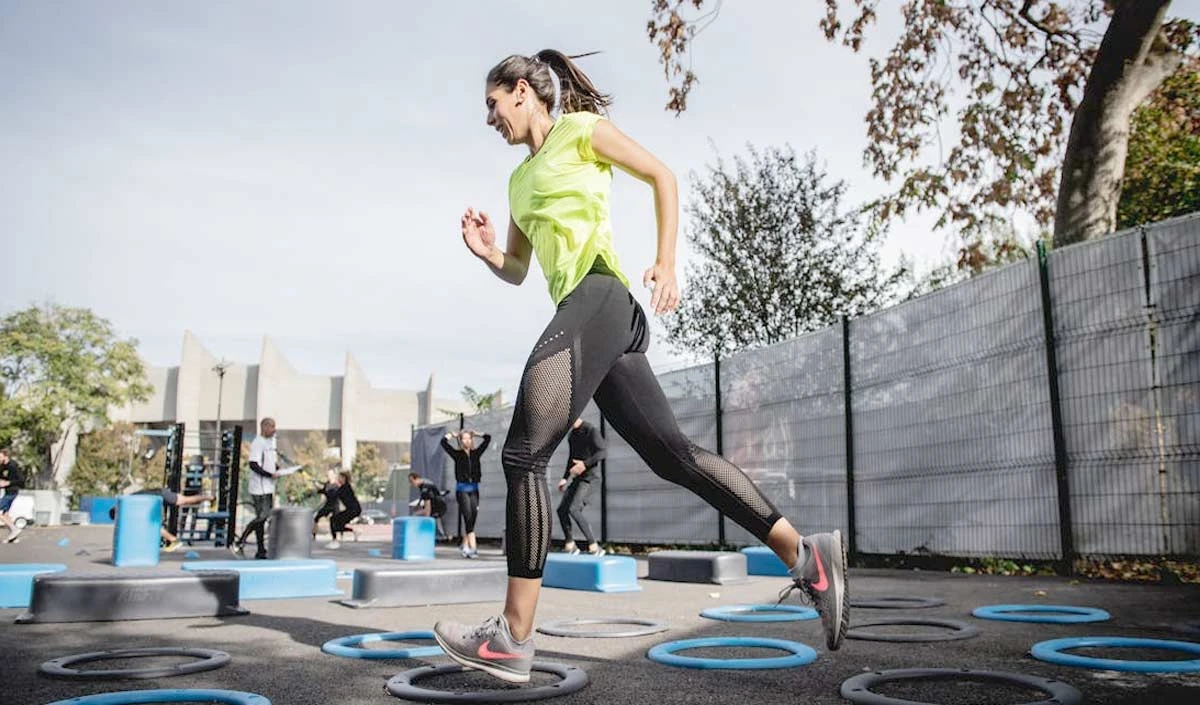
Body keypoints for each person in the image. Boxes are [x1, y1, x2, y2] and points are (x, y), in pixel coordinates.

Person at [432, 50, 848, 684]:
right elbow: (519, 270)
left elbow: (662, 176)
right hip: (594, 319)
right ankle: (806, 555)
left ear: (523, 92)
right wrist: (488, 251)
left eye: (493, 103)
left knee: (521, 455)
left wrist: (667, 259)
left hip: (600, 296)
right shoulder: (517, 184)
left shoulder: (578, 131)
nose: (489, 117)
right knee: (672, 456)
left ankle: (513, 636)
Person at [108, 488, 214, 551]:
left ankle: (174, 540)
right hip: (159, 495)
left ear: (117, 511)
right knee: (184, 501)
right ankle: (210, 498)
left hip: (161, 495)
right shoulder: (127, 502)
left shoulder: (127, 505)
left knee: (184, 501)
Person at [556, 418, 605, 556]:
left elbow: (602, 452)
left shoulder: (591, 430)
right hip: (578, 478)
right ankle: (570, 544)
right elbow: (571, 458)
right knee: (562, 510)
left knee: (574, 509)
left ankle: (594, 546)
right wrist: (565, 478)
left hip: (590, 479)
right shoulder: (572, 435)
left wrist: (584, 464)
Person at [441, 429, 492, 558]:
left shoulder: (476, 453)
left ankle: (464, 545)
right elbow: (443, 442)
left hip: (474, 489)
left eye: (469, 438)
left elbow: (488, 438)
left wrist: (477, 433)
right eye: (464, 438)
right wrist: (451, 435)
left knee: (472, 518)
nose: (467, 441)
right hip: (462, 490)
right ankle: (473, 548)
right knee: (468, 518)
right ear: (460, 440)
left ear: (471, 439)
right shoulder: (456, 454)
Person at [234, 417, 280, 559]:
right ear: (264, 427)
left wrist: (276, 468)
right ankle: (240, 541)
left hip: (268, 487)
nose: (274, 430)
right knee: (262, 516)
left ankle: (260, 550)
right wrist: (268, 474)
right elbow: (253, 464)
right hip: (259, 487)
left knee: (263, 518)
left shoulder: (270, 443)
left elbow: (269, 462)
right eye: (271, 427)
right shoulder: (258, 442)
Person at [327, 471, 361, 549]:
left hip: (353, 510)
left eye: (339, 477)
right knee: (337, 525)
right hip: (353, 509)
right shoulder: (344, 487)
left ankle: (335, 541)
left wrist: (328, 489)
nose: (338, 479)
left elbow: (334, 495)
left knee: (333, 520)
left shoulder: (345, 487)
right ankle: (355, 531)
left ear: (343, 478)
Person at [0, 448, 26, 543]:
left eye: (0, 456)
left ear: (6, 456)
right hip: (7, 491)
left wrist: (8, 483)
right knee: (5, 514)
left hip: (13, 491)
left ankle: (14, 529)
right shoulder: (2, 467)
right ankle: (14, 536)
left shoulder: (13, 466)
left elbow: (21, 480)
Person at [313, 468, 340, 539]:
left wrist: (325, 491)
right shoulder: (327, 484)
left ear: (334, 475)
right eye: (328, 475)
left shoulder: (337, 485)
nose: (329, 476)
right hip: (328, 505)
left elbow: (332, 494)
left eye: (330, 474)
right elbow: (322, 491)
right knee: (316, 518)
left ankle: (335, 537)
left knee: (333, 522)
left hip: (335, 506)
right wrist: (317, 487)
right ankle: (313, 536)